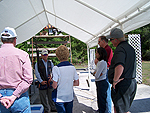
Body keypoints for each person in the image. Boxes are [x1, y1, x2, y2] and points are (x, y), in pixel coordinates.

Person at [0, 27, 33, 113]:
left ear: (1, 40)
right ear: (15, 40)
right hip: (19, 97)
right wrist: (14, 96)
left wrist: (1, 97)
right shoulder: (23, 55)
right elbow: (28, 79)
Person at [106, 28, 137, 113]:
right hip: (131, 82)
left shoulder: (120, 49)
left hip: (122, 84)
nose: (111, 42)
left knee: (120, 110)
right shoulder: (130, 48)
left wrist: (115, 80)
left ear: (116, 40)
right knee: (124, 109)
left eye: (111, 39)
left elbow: (120, 66)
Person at [52, 45, 79, 113]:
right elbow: (77, 83)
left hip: (60, 98)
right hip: (69, 96)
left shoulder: (56, 68)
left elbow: (54, 86)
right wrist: (68, 82)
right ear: (67, 55)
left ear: (57, 56)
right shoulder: (72, 68)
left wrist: (52, 81)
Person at [95, 36, 113, 113]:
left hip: (106, 73)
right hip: (103, 72)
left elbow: (105, 63)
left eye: (99, 42)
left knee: (106, 93)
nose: (98, 43)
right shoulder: (105, 50)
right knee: (101, 94)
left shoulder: (107, 49)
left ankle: (108, 111)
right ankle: (102, 109)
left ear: (103, 41)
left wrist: (99, 71)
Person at [35, 49, 56, 113]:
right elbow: (37, 73)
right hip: (42, 82)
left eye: (46, 54)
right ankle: (46, 109)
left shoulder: (50, 62)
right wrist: (41, 81)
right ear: (41, 55)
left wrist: (51, 78)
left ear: (48, 55)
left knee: (51, 96)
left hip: (49, 82)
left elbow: (53, 71)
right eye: (44, 55)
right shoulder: (38, 63)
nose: (45, 56)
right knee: (43, 98)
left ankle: (53, 108)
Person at [93, 47, 109, 113]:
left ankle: (102, 111)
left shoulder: (101, 62)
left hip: (101, 82)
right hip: (100, 82)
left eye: (97, 53)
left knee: (101, 99)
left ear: (100, 54)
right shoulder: (100, 62)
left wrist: (96, 73)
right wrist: (96, 73)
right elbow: (96, 73)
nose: (96, 54)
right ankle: (100, 110)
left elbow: (97, 75)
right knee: (100, 98)